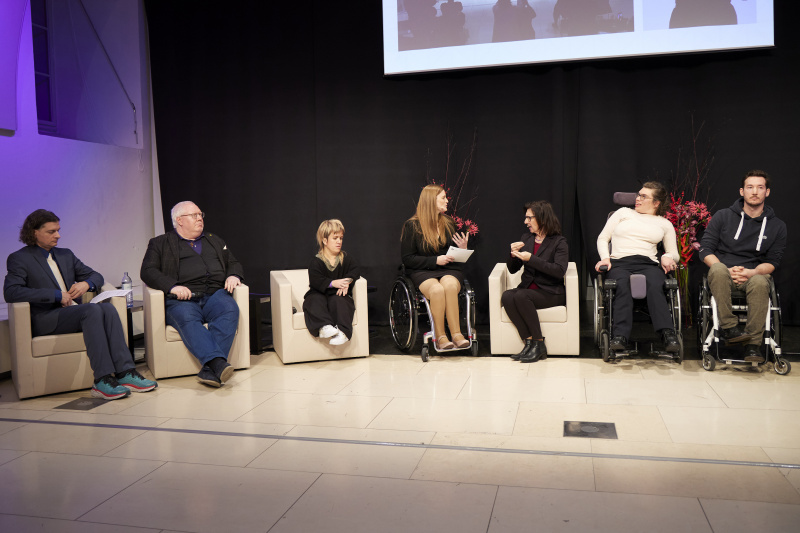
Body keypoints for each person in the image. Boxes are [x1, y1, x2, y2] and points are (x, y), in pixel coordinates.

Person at [3, 209, 157, 400]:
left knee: (108, 308)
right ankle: (102, 380)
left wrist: (87, 284)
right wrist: (55, 295)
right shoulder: (20, 258)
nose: (58, 235)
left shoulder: (65, 255)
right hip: (46, 318)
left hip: (72, 313)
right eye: (52, 232)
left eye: (58, 230)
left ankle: (126, 373)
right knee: (91, 310)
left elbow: (96, 276)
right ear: (35, 232)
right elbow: (12, 292)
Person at [141, 201, 244, 388]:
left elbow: (234, 262)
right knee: (187, 317)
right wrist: (172, 286)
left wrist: (233, 275)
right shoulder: (160, 243)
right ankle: (217, 364)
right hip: (182, 299)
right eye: (194, 215)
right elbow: (147, 271)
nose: (199, 218)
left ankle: (209, 368)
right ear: (179, 220)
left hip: (214, 295)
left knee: (229, 309)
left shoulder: (214, 240)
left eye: (200, 214)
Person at [698, 170, 787, 362]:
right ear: (741, 191)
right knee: (718, 269)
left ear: (767, 192)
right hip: (723, 273)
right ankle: (730, 328)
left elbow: (773, 262)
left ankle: (753, 346)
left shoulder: (777, 226)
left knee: (761, 282)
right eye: (750, 187)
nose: (755, 192)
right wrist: (727, 269)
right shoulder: (722, 216)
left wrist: (752, 272)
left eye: (760, 187)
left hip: (753, 275)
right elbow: (705, 250)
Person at [595, 181, 681, 353]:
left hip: (648, 263)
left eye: (644, 196)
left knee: (656, 285)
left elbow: (674, 253)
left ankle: (667, 334)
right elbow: (603, 238)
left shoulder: (664, 223)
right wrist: (605, 258)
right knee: (622, 286)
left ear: (656, 203)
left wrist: (667, 256)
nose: (638, 199)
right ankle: (620, 336)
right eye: (638, 194)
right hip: (620, 262)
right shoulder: (622, 213)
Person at [401, 184, 470, 350]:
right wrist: (434, 261)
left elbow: (453, 257)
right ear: (431, 201)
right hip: (422, 270)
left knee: (450, 285)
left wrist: (463, 250)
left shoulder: (449, 223)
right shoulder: (412, 226)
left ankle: (456, 333)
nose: (447, 201)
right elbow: (408, 259)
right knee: (437, 290)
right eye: (443, 198)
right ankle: (440, 336)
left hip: (448, 270)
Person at [502, 201, 568, 363]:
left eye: (529, 218)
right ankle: (529, 342)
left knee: (521, 296)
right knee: (507, 296)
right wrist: (512, 254)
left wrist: (532, 259)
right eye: (526, 218)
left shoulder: (559, 242)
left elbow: (559, 271)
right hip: (529, 290)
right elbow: (512, 269)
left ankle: (539, 344)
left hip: (551, 292)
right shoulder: (527, 239)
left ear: (542, 218)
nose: (526, 222)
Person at [303, 219, 360, 346]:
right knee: (314, 300)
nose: (339, 241)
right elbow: (316, 280)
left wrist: (347, 281)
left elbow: (355, 270)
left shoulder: (346, 258)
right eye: (335, 238)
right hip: (319, 294)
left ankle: (343, 332)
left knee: (340, 300)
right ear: (324, 240)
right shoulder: (316, 261)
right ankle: (324, 327)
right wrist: (333, 283)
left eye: (341, 238)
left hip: (337, 295)